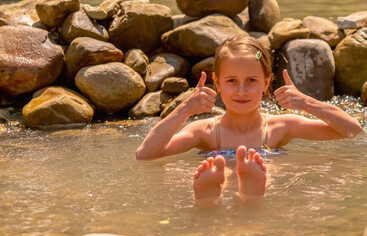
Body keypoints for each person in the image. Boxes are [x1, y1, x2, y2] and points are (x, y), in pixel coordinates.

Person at [136, 36, 362, 208]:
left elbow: (352, 130)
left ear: (266, 82)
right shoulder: (205, 131)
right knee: (226, 171)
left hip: (263, 185)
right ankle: (210, 195)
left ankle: (248, 190)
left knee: (266, 170)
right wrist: (184, 109)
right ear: (217, 83)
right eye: (232, 81)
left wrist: (306, 102)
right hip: (229, 181)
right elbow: (145, 154)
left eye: (251, 81)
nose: (241, 91)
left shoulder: (278, 128)